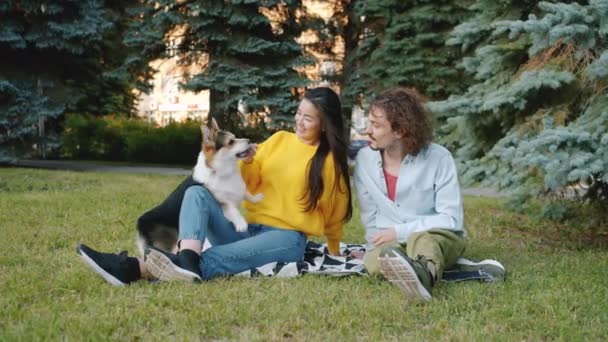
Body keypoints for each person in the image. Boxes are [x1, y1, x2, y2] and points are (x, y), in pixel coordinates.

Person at [77, 87, 353, 285]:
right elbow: (252, 179)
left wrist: (334, 248)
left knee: (217, 257)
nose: (298, 121)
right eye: (298, 113)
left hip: (286, 239)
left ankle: (130, 268)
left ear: (325, 124)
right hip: (249, 229)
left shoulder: (329, 162)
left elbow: (335, 213)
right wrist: (247, 159)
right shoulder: (280, 139)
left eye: (308, 118)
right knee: (196, 192)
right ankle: (186, 259)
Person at [353, 86, 468, 301]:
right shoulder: (364, 159)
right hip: (393, 242)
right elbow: (369, 214)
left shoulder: (439, 158)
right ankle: (414, 269)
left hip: (438, 235)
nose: (367, 130)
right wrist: (371, 247)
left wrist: (400, 232)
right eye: (370, 123)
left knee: (422, 241)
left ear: (400, 131)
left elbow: (452, 219)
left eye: (376, 125)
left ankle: (423, 278)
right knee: (373, 262)